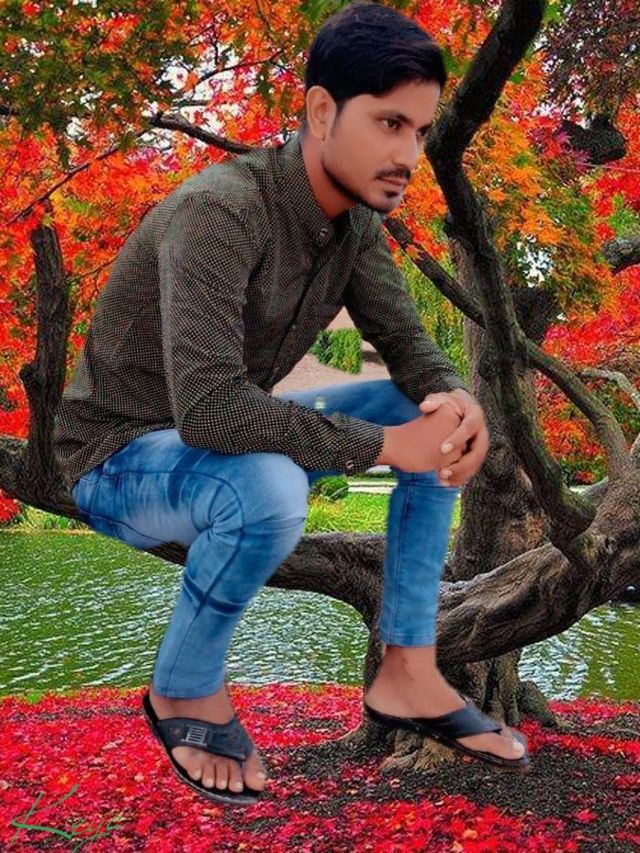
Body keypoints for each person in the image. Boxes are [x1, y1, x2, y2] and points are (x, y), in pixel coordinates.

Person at [53, 0, 529, 807]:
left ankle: (407, 665)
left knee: (430, 418)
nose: (408, 155)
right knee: (272, 485)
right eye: (389, 124)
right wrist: (382, 447)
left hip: (216, 437)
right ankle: (183, 686)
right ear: (320, 112)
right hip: (118, 457)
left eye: (419, 132)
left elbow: (407, 345)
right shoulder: (219, 213)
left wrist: (450, 396)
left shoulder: (355, 227)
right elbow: (210, 412)